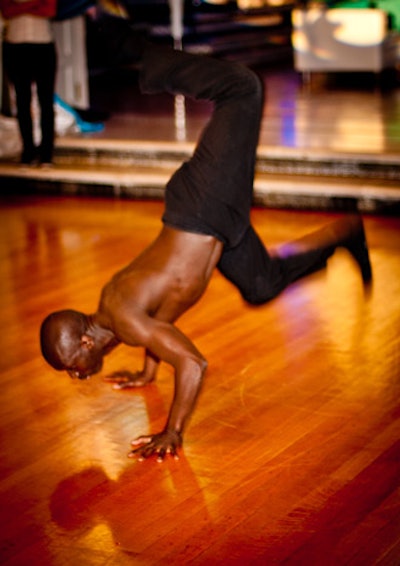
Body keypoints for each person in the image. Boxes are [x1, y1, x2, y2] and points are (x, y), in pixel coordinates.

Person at [40, 12, 372, 463]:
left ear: (83, 343)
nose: (75, 376)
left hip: (203, 204)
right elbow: (160, 323)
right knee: (261, 286)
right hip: (216, 226)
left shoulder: (123, 317)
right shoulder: (116, 313)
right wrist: (147, 371)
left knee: (242, 88)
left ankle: (140, 51)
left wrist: (171, 432)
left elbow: (193, 363)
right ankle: (344, 235)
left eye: (70, 367)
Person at [0, 0, 57, 166]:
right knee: (22, 101)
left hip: (43, 44)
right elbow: (6, 11)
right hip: (15, 45)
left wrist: (19, 7)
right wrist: (35, 4)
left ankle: (47, 154)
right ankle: (28, 151)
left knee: (46, 101)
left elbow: (49, 9)